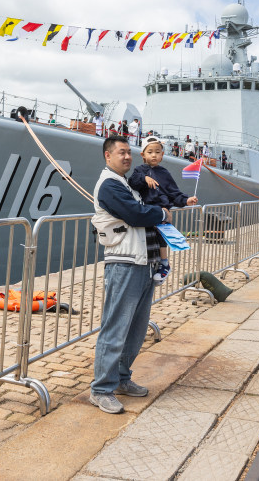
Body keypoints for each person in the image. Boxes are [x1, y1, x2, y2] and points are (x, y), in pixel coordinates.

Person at [89, 135, 171, 414]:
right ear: (107, 155)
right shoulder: (109, 184)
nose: (127, 157)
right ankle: (101, 389)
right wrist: (161, 213)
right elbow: (136, 214)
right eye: (121, 152)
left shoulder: (125, 183)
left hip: (143, 262)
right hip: (124, 264)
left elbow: (141, 210)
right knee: (115, 328)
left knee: (135, 329)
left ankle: (122, 378)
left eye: (128, 152)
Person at [128, 136, 198, 286]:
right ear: (143, 154)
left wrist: (186, 200)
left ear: (162, 155)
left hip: (161, 210)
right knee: (145, 239)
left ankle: (164, 263)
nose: (154, 155)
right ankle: (147, 264)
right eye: (150, 152)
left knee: (161, 237)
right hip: (146, 211)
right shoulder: (139, 171)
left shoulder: (164, 173)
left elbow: (174, 193)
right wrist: (144, 178)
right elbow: (132, 182)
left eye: (157, 152)